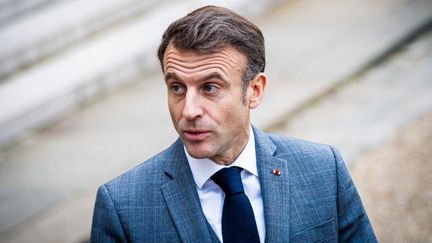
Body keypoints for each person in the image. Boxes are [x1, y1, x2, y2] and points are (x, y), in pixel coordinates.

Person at [90, 5, 377, 243]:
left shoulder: (324, 169)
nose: (188, 110)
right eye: (177, 87)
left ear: (255, 90)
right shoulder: (123, 206)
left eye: (210, 87)